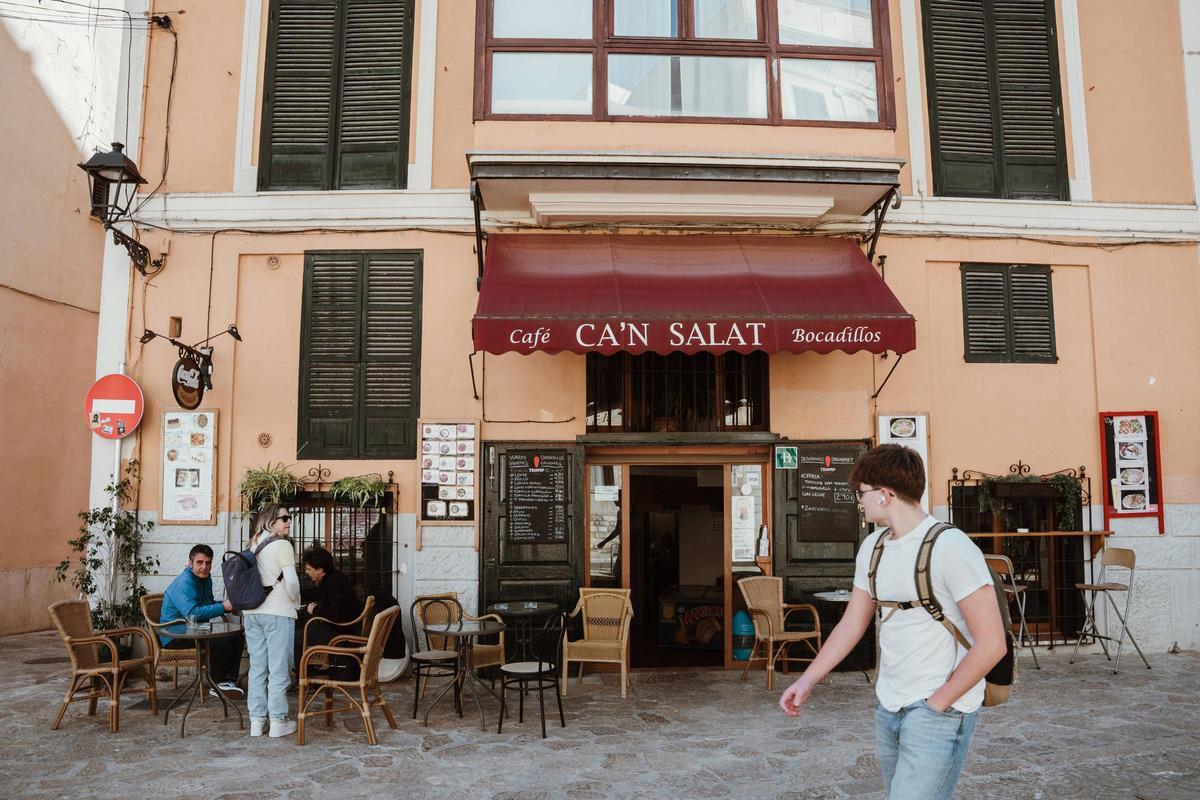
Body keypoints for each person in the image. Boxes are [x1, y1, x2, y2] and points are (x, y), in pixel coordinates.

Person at [779, 445, 1005, 800]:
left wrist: (938, 704)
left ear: (885, 495)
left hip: (938, 709)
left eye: (862, 493)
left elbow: (992, 642)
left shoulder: (952, 547)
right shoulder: (874, 547)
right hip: (889, 705)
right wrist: (808, 680)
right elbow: (852, 623)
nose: (859, 502)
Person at [242, 503, 301, 739]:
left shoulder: (252, 543)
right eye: (283, 518)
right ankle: (278, 721)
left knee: (257, 667)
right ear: (270, 521)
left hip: (252, 613)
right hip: (277, 612)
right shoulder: (282, 544)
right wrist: (296, 603)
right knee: (278, 668)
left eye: (289, 517)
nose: (288, 521)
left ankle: (256, 722)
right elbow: (292, 581)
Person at [159, 544, 245, 696]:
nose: (204, 567)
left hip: (193, 630)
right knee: (220, 641)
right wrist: (223, 607)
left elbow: (207, 603)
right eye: (200, 562)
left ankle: (228, 680)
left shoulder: (205, 579)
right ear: (190, 563)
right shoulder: (184, 582)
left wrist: (229, 603)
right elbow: (192, 613)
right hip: (174, 635)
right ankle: (216, 684)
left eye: (208, 562)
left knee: (236, 636)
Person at [295, 546, 360, 675]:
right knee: (302, 630)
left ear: (320, 570)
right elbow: (317, 593)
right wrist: (294, 595)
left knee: (294, 638)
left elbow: (336, 615)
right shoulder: (333, 578)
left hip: (341, 633)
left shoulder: (333, 583)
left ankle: (304, 677)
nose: (307, 572)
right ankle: (307, 672)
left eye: (309, 569)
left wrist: (315, 610)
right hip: (342, 628)